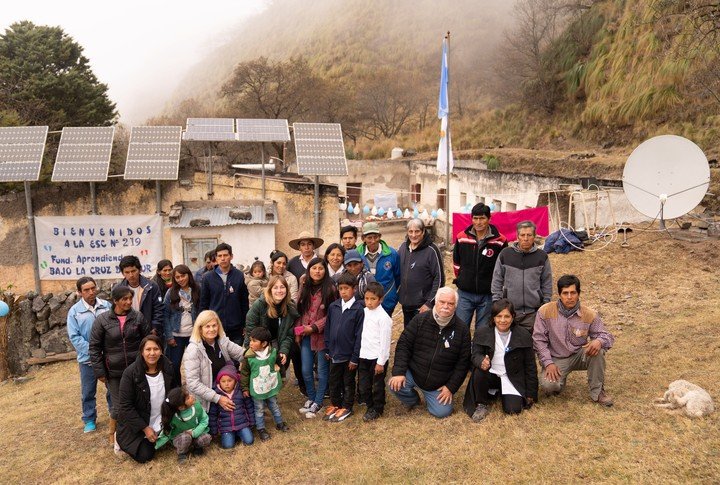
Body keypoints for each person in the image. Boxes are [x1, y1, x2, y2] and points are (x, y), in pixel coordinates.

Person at [533, 274, 615, 406]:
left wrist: (599, 341)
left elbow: (607, 336)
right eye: (565, 293)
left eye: (573, 292)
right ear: (559, 294)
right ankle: (559, 382)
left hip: (580, 355)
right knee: (549, 387)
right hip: (556, 358)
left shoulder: (589, 314)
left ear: (579, 294)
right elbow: (538, 340)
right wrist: (548, 363)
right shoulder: (545, 311)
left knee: (598, 351)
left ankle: (598, 392)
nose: (569, 297)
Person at [389, 287, 471, 418]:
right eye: (442, 302)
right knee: (395, 385)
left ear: (455, 306)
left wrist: (450, 387)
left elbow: (463, 363)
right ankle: (414, 401)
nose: (446, 306)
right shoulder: (419, 320)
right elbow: (404, 345)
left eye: (450, 304)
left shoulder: (463, 330)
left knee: (442, 412)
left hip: (437, 383)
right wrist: (399, 372)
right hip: (414, 372)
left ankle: (431, 399)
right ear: (436, 302)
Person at [90, 285, 152, 444]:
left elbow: (147, 341)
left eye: (130, 298)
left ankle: (137, 432)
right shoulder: (102, 320)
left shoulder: (138, 317)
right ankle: (113, 434)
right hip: (114, 372)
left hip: (137, 369)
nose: (129, 302)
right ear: (115, 300)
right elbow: (95, 347)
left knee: (139, 402)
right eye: (124, 299)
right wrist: (100, 372)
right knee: (118, 407)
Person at [462, 299, 538, 422]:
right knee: (480, 370)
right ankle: (481, 403)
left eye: (507, 316)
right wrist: (481, 360)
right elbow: (475, 354)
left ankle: (500, 393)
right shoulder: (482, 332)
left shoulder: (523, 335)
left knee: (513, 409)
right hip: (489, 375)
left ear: (513, 317)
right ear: (493, 317)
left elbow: (530, 365)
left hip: (511, 376)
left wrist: (531, 393)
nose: (503, 320)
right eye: (499, 316)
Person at [115, 335, 175, 463]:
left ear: (161, 351)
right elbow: (125, 406)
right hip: (138, 423)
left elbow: (175, 393)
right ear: (142, 352)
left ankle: (161, 432)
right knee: (145, 455)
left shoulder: (168, 367)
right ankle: (119, 438)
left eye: (156, 349)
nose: (152, 353)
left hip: (162, 418)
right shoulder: (130, 373)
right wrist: (145, 428)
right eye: (148, 349)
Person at [66, 276, 112, 433]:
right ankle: (89, 419)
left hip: (109, 357)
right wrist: (94, 351)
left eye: (93, 288)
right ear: (79, 292)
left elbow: (114, 328)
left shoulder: (106, 306)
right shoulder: (74, 312)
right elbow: (75, 337)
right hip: (88, 360)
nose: (91, 292)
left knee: (112, 388)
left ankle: (116, 415)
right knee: (88, 392)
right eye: (86, 290)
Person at [295, 258, 339, 418]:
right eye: (314, 268)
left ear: (325, 270)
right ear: (309, 270)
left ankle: (319, 401)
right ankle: (311, 398)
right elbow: (299, 309)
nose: (317, 271)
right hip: (305, 334)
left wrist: (314, 327)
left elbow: (332, 314)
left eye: (321, 268)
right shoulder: (305, 286)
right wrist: (299, 331)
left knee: (322, 370)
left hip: (322, 336)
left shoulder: (330, 288)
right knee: (306, 369)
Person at [452, 203, 507, 330]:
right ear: (471, 219)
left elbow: (503, 268)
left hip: (487, 295)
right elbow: (456, 263)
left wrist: (495, 289)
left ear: (489, 218)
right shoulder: (461, 238)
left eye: (482, 218)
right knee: (460, 328)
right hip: (465, 294)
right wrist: (463, 279)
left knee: (483, 330)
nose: (478, 222)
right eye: (475, 218)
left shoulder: (500, 241)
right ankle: (462, 351)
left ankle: (478, 350)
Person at [491, 220, 553, 332]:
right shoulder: (505, 254)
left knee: (531, 346)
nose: (525, 238)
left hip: (533, 313)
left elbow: (547, 282)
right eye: (522, 235)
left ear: (534, 236)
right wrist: (497, 302)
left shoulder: (542, 256)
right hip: (509, 312)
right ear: (517, 236)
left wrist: (545, 304)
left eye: (529, 235)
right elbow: (497, 280)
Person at [183, 310, 246, 412]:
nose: (212, 329)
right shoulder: (193, 350)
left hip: (224, 388)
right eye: (207, 326)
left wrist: (268, 357)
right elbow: (193, 383)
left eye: (214, 325)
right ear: (200, 329)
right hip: (206, 399)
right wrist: (218, 398)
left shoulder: (222, 341)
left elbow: (242, 354)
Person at [322, 272, 364, 422]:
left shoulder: (359, 309)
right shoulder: (333, 307)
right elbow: (328, 328)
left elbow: (359, 335)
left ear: (354, 289)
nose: (343, 291)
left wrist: (354, 358)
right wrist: (327, 348)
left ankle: (347, 406)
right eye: (341, 288)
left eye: (346, 288)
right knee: (333, 380)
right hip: (334, 354)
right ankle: (335, 404)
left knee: (348, 381)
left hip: (349, 356)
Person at [240, 327, 289, 441]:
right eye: (250, 340)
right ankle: (261, 428)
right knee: (259, 409)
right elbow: (244, 373)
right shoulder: (248, 357)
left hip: (270, 386)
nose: (250, 343)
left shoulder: (273, 353)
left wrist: (282, 376)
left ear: (264, 343)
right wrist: (245, 388)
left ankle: (279, 423)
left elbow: (279, 364)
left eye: (254, 341)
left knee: (274, 405)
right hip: (257, 388)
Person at [199, 243, 249, 345]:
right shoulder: (207, 278)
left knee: (235, 359)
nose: (223, 258)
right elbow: (204, 303)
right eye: (220, 256)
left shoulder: (239, 276)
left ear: (231, 256)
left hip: (236, 328)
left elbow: (244, 302)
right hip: (214, 327)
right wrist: (202, 324)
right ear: (216, 258)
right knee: (217, 359)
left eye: (225, 255)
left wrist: (245, 325)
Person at [397, 218, 445, 326]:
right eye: (410, 231)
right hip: (406, 304)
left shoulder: (432, 250)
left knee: (422, 338)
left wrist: (429, 303)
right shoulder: (403, 248)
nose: (413, 235)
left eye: (417, 231)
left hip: (422, 306)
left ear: (423, 232)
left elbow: (440, 278)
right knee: (409, 335)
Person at [244, 275, 297, 369]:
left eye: (282, 287)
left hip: (278, 342)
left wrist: (283, 351)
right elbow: (250, 328)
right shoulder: (259, 305)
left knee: (281, 374)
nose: (279, 291)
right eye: (275, 287)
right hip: (260, 344)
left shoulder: (290, 308)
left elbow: (289, 335)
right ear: (270, 290)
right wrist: (256, 349)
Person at [357, 282, 392, 421]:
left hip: (377, 358)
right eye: (367, 299)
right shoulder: (364, 312)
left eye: (373, 299)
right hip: (364, 355)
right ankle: (370, 405)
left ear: (381, 299)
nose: (369, 302)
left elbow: (385, 342)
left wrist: (380, 362)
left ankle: (378, 408)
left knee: (377, 385)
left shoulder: (384, 318)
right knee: (364, 385)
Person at [163, 264, 200, 386]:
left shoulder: (197, 290)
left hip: (193, 335)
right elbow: (165, 315)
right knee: (174, 365)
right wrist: (169, 336)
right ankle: (177, 390)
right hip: (176, 335)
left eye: (183, 276)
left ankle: (195, 388)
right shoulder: (171, 293)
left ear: (188, 275)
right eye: (177, 277)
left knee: (195, 364)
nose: (181, 279)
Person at [155, 386, 212, 464]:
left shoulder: (197, 406)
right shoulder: (173, 417)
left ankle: (197, 447)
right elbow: (166, 433)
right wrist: (157, 445)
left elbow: (204, 420)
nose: (192, 396)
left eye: (189, 395)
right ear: (181, 407)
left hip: (196, 434)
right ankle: (182, 453)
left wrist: (194, 433)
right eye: (188, 398)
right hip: (181, 438)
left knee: (206, 438)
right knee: (185, 437)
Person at [356, 221, 400, 316]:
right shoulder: (357, 255)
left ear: (380, 236)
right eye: (369, 237)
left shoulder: (392, 254)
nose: (373, 241)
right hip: (364, 304)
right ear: (363, 238)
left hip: (386, 302)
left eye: (375, 237)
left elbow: (398, 277)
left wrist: (393, 297)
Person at [208, 364, 256, 448]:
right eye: (223, 381)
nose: (226, 384)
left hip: (242, 424)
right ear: (219, 382)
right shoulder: (216, 396)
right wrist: (214, 431)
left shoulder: (241, 391)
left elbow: (249, 407)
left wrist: (252, 422)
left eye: (229, 380)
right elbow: (213, 415)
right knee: (228, 446)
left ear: (235, 380)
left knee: (249, 441)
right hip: (226, 427)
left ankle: (239, 434)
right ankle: (232, 436)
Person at [117, 255, 165, 338]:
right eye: (127, 272)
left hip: (149, 330)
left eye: (133, 271)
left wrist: (155, 328)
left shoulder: (152, 286)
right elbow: (116, 311)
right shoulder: (118, 289)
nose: (131, 275)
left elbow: (158, 309)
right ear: (122, 273)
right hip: (127, 332)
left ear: (140, 270)